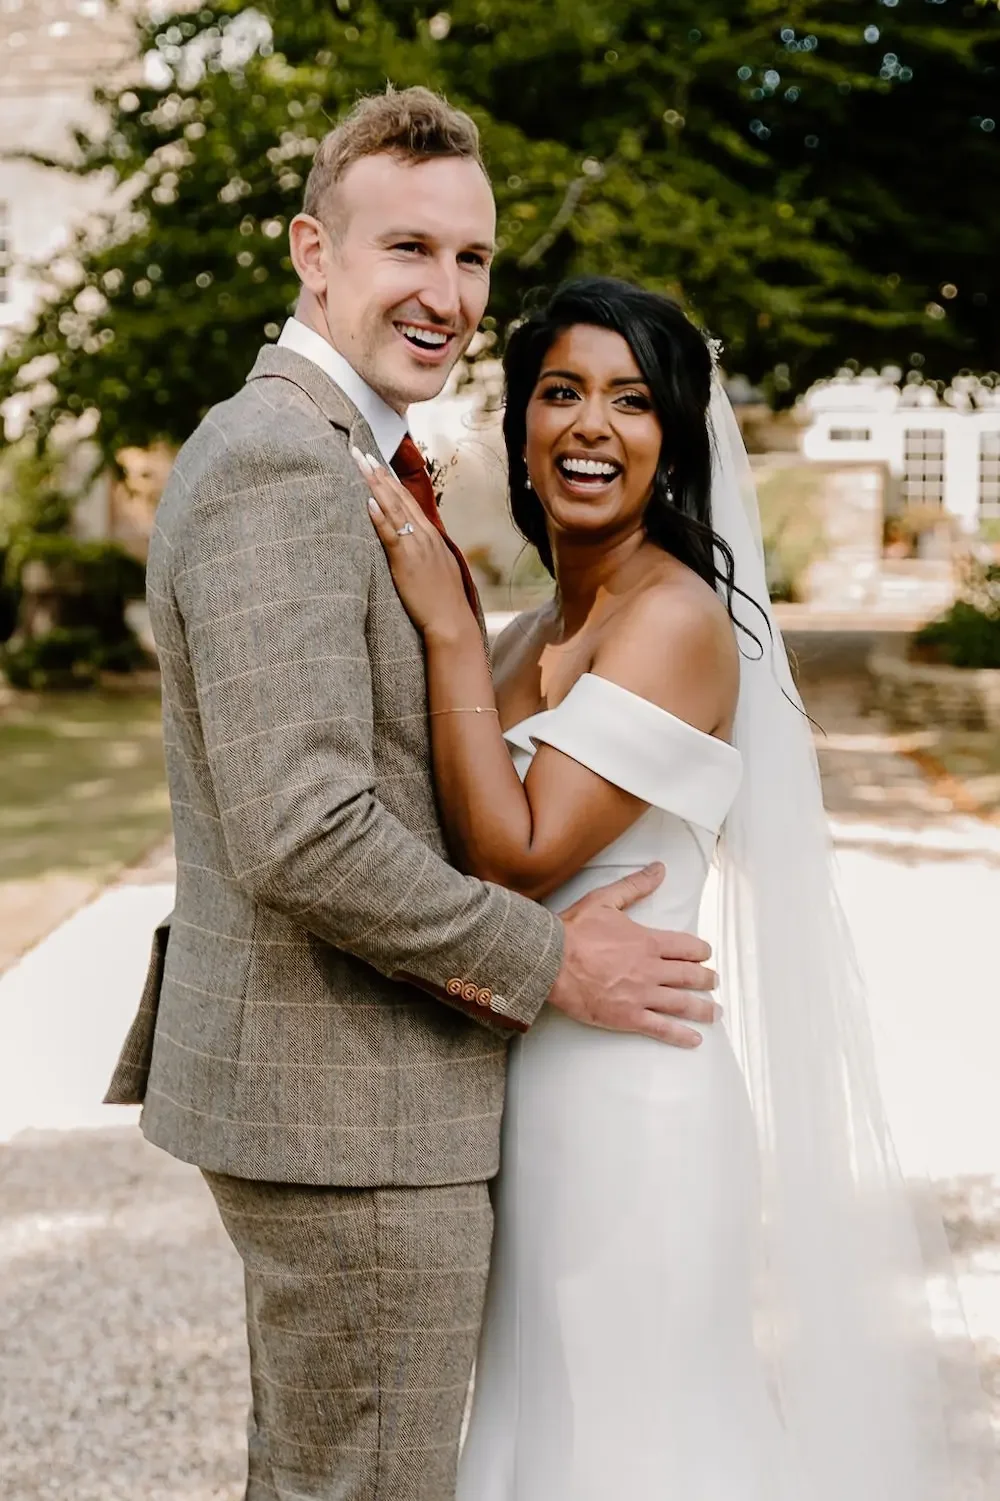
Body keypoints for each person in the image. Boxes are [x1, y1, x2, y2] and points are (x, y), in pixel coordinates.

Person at [103, 91, 720, 1501]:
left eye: (472, 260)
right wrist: (558, 959)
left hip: (365, 1100)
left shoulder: (354, 457)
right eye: (408, 251)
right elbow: (304, 831)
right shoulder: (279, 462)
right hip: (352, 1108)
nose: (446, 295)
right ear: (316, 253)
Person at [361, 275, 996, 1500]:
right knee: (538, 1439)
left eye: (631, 400)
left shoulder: (675, 618)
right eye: (560, 392)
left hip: (630, 1109)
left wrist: (440, 626)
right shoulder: (521, 636)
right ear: (521, 428)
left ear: (675, 439)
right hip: (518, 1099)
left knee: (634, 1444)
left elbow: (515, 852)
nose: (591, 425)